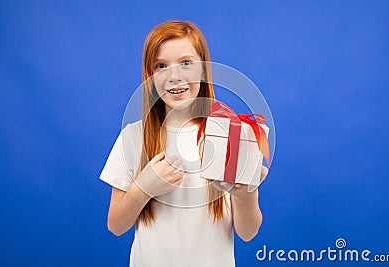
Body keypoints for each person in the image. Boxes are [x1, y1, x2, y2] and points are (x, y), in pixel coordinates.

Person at [100, 20, 268, 267]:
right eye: (161, 66)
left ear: (203, 69)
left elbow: (248, 232)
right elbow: (116, 225)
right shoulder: (134, 136)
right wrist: (143, 188)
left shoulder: (230, 134)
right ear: (150, 76)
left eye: (186, 63)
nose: (174, 76)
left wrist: (245, 195)